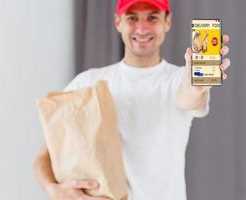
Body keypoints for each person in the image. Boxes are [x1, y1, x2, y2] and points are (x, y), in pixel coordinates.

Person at [34, 0, 230, 199]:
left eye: (152, 17)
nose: (142, 28)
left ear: (167, 22)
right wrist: (53, 189)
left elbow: (189, 97)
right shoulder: (88, 83)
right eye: (132, 18)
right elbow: (45, 155)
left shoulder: (178, 80)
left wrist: (196, 86)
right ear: (118, 22)